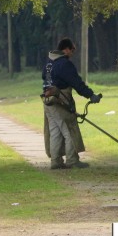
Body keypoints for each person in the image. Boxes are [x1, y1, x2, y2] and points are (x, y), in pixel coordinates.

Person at [42, 37, 101, 169]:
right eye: (72, 50)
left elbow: (44, 79)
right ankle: (72, 160)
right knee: (69, 130)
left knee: (55, 131)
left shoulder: (48, 63)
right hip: (60, 101)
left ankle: (56, 161)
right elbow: (77, 83)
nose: (72, 53)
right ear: (66, 49)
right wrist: (91, 95)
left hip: (48, 102)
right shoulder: (64, 64)